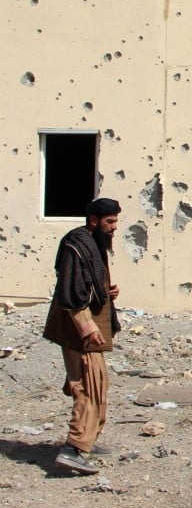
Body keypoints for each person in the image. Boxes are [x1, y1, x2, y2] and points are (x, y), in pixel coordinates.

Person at [43, 197, 121, 474]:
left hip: (89, 325)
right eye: (110, 222)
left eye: (115, 221)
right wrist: (87, 325)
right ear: (94, 221)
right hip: (81, 328)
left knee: (99, 384)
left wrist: (106, 291)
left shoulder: (92, 242)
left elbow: (87, 283)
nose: (114, 227)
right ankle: (74, 448)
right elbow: (71, 291)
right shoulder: (76, 245)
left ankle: (88, 440)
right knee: (88, 385)